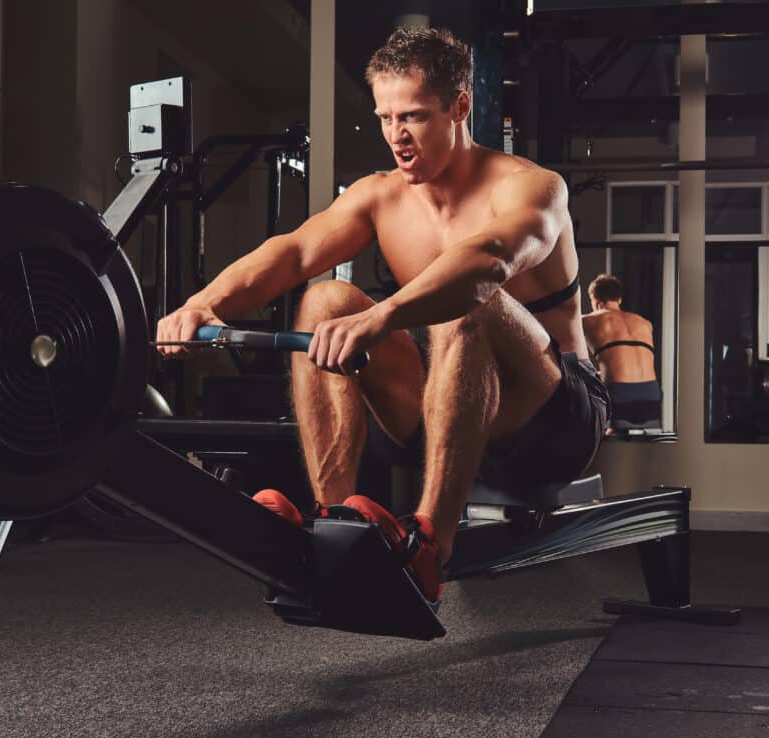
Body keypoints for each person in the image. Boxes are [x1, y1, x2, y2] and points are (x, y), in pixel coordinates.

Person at [156, 27, 609, 604]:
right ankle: (333, 523)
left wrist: (388, 314)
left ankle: (428, 551)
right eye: (385, 118)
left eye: (414, 116)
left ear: (460, 107)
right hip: (453, 419)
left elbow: (490, 260)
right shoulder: (380, 196)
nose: (397, 136)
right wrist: (204, 303)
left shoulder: (531, 187)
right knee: (324, 301)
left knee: (469, 296)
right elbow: (293, 252)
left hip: (554, 420)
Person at [581, 274, 661, 433]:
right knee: (646, 446)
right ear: (619, 300)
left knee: (608, 444)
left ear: (595, 300)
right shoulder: (644, 322)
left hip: (620, 391)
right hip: (651, 393)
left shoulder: (586, 321)